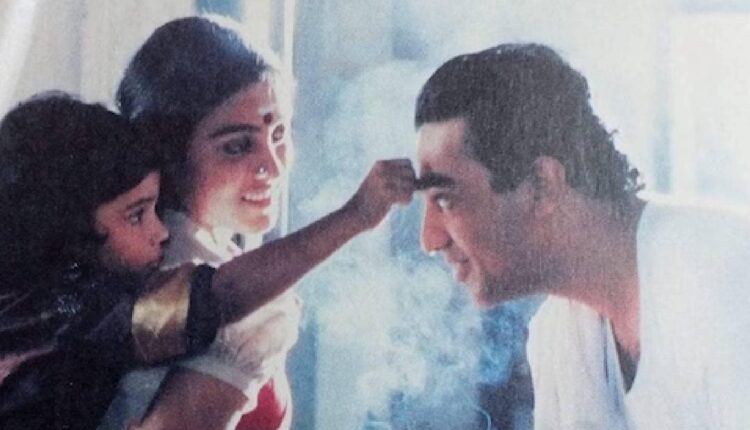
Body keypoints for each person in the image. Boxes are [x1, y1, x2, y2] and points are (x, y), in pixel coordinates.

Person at [102, 16, 417, 430]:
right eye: (237, 146)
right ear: (171, 154)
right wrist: (354, 215)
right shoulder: (201, 283)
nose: (273, 164)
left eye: (279, 134)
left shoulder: (189, 252)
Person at [413, 43, 750, 429]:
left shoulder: (725, 272)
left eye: (445, 200)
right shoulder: (555, 338)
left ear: (541, 185)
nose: (430, 239)